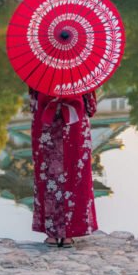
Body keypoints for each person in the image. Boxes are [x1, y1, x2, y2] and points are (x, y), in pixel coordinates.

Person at [28, 86, 99, 248]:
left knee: (48, 176)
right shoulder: (80, 71)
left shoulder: (41, 68)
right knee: (75, 176)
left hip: (46, 124)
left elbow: (33, 104)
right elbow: (91, 107)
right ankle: (68, 233)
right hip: (74, 125)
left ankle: (52, 234)